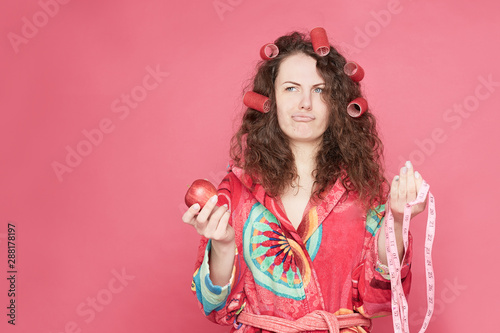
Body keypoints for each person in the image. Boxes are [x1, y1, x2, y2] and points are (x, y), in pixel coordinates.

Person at [182, 29, 427, 333]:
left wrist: (398, 223)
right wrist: (222, 245)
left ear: (338, 104)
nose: (305, 104)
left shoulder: (367, 193)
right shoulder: (236, 190)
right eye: (291, 89)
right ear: (269, 99)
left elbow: (380, 302)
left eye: (321, 90)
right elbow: (214, 307)